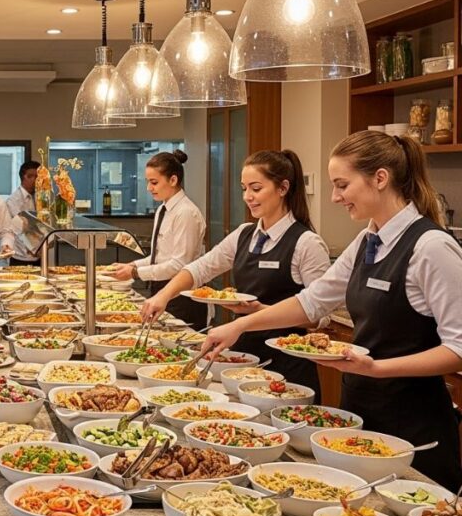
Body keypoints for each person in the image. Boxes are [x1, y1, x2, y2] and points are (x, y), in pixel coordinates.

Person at [200, 131, 462, 490]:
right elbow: (313, 300)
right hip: (360, 413)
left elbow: (458, 348)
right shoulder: (368, 239)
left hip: (413, 424)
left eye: (342, 185)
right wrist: (240, 326)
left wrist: (377, 368)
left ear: (380, 178)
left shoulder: (432, 247)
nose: (335, 197)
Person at [140, 150, 330, 394]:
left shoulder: (307, 243)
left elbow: (320, 316)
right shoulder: (244, 234)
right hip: (244, 360)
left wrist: (259, 311)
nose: (247, 196)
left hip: (288, 367)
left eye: (256, 188)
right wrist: (163, 296)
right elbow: (201, 268)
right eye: (244, 188)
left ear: (283, 188)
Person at [110, 150, 208, 329]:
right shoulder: (163, 209)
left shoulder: (186, 213)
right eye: (148, 182)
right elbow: (160, 257)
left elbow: (179, 265)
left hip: (182, 296)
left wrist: (135, 273)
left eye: (154, 182)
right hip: (161, 290)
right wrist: (132, 265)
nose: (149, 188)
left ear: (173, 180)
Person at [5, 161, 41, 267]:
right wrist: (34, 248)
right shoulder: (13, 201)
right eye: (34, 177)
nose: (37, 180)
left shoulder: (40, 197)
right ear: (25, 177)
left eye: (39, 177)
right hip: (21, 257)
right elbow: (23, 228)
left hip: (39, 255)